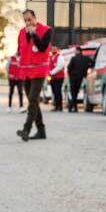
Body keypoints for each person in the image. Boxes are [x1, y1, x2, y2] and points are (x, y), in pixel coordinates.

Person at [16, 9, 53, 141]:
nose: (28, 22)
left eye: (30, 19)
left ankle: (26, 129)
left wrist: (34, 34)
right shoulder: (21, 33)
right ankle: (41, 131)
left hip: (39, 70)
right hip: (26, 71)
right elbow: (20, 50)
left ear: (35, 18)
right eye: (25, 20)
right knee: (34, 102)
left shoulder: (46, 30)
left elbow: (42, 47)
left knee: (32, 99)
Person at [66, 46, 91, 112]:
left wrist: (70, 74)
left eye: (75, 51)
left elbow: (69, 68)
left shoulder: (73, 58)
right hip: (80, 77)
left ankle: (71, 106)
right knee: (76, 92)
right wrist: (86, 69)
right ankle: (74, 107)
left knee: (73, 92)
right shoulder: (86, 58)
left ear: (78, 51)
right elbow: (92, 63)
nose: (75, 52)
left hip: (73, 77)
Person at [48, 46, 66, 112]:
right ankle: (56, 106)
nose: (53, 50)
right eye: (52, 50)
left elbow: (60, 66)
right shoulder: (50, 58)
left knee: (57, 91)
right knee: (54, 91)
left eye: (54, 49)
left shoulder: (59, 57)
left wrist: (52, 72)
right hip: (52, 77)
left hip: (59, 77)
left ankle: (59, 106)